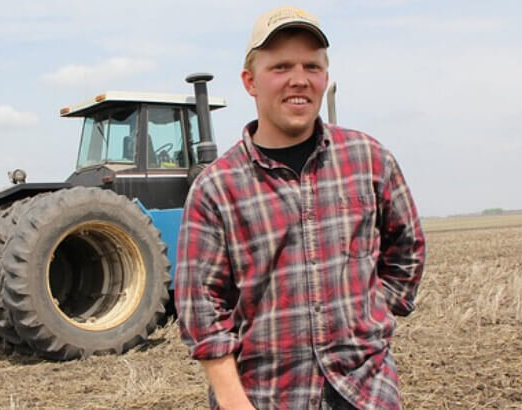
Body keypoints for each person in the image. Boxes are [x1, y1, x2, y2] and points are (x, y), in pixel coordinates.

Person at [175, 6, 426, 410]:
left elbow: (407, 247)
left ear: (325, 78)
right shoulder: (217, 187)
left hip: (366, 393)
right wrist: (233, 400)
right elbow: (200, 304)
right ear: (250, 82)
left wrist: (372, 310)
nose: (299, 80)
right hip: (267, 397)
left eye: (312, 66)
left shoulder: (368, 159)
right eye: (281, 67)